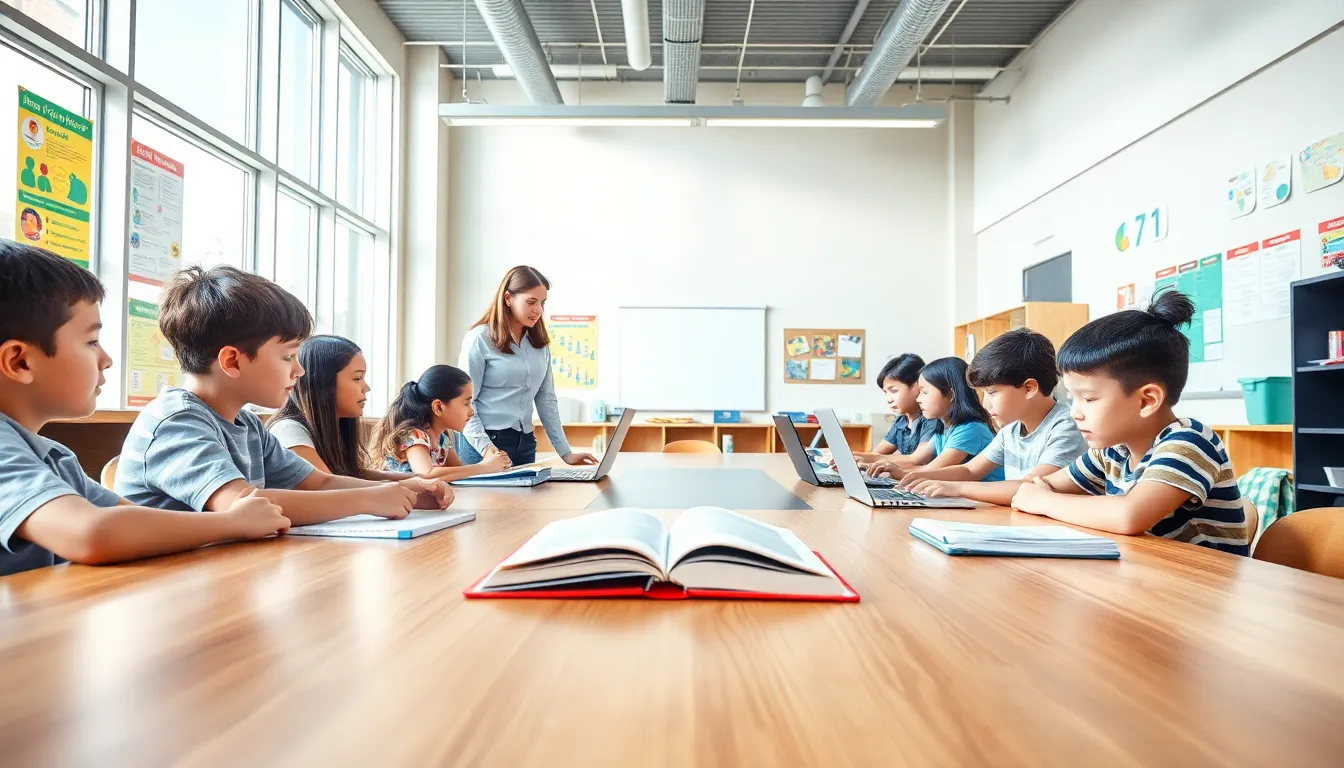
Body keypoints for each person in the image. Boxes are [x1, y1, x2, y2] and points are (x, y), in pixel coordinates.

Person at [0, 240, 289, 577]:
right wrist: (231, 523)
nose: (106, 359)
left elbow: (132, 519)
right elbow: (91, 533)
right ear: (19, 361)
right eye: (91, 342)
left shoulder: (54, 457)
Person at [115, 266, 453, 525]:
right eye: (289, 356)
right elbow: (244, 503)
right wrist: (368, 500)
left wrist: (407, 490)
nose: (299, 371)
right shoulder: (177, 422)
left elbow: (316, 482)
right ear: (232, 360)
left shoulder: (246, 424)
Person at [1010, 291, 1248, 554]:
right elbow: (1039, 487)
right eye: (1072, 397)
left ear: (1147, 400)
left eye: (1088, 398)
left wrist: (1045, 502)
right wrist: (1040, 495)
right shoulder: (1113, 451)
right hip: (1148, 577)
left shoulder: (1189, 442)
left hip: (1204, 587)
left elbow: (1128, 516)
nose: (1074, 413)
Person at [902, 329, 1088, 505]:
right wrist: (918, 477)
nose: (985, 404)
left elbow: (1032, 486)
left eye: (991, 392)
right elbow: (970, 470)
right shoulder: (1011, 431)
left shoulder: (1065, 425)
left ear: (1029, 388)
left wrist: (956, 488)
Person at [457, 266, 595, 467]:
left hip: (525, 443)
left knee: (526, 500)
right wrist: (488, 450)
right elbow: (465, 403)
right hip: (483, 444)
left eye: (542, 303)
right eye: (531, 302)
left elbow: (546, 399)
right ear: (507, 298)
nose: (538, 310)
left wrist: (565, 452)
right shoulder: (479, 339)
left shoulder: (539, 344)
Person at [267, 335, 431, 483]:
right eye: (357, 378)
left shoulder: (334, 428)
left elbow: (352, 474)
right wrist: (407, 487)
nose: (366, 387)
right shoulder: (289, 430)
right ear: (323, 383)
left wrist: (417, 480)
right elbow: (328, 485)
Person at [864, 357, 1003, 482]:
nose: (918, 399)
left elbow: (932, 470)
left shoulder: (971, 429)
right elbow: (915, 459)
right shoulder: (943, 428)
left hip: (986, 505)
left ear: (950, 394)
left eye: (924, 392)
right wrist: (873, 465)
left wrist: (899, 473)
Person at [371, 365, 515, 482]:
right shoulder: (415, 436)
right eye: (466, 403)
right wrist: (485, 466)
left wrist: (496, 466)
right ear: (438, 407)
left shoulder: (442, 440)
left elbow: (461, 473)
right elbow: (425, 474)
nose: (472, 411)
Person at [852, 353, 942, 464]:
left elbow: (917, 460)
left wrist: (864, 458)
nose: (889, 399)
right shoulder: (901, 421)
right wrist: (852, 456)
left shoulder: (932, 420)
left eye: (893, 391)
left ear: (917, 387)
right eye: (886, 392)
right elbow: (876, 454)